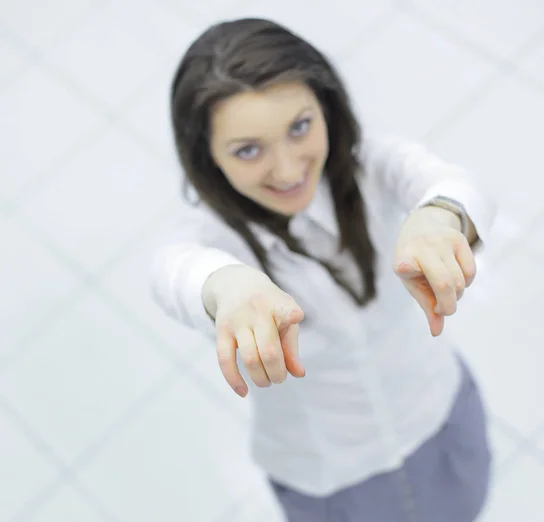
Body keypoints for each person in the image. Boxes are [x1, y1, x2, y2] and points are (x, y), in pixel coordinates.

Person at [151, 17, 497, 522]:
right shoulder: (206, 238)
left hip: (436, 412)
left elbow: (457, 184)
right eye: (248, 150)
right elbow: (173, 271)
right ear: (206, 156)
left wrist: (439, 216)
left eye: (300, 127)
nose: (289, 170)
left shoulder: (370, 166)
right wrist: (227, 286)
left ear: (326, 107)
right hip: (330, 475)